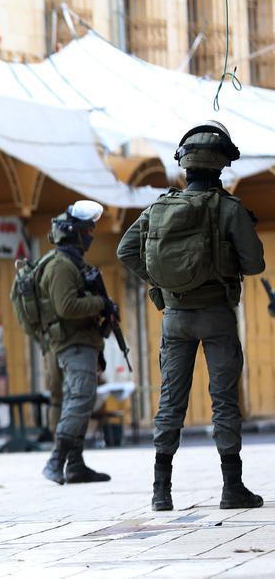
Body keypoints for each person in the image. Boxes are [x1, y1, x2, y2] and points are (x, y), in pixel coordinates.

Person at [117, 121, 265, 511]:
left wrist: (161, 283)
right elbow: (255, 264)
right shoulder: (229, 209)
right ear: (220, 166)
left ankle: (161, 491)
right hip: (217, 315)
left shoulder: (158, 208)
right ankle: (232, 488)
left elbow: (125, 251)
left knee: (170, 401)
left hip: (176, 317)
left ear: (184, 166)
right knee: (224, 401)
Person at [39, 200, 112, 485]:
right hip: (71, 344)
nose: (90, 236)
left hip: (83, 342)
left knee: (81, 400)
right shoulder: (61, 266)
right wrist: (100, 302)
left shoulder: (74, 264)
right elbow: (66, 306)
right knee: (79, 399)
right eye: (86, 231)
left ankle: (75, 465)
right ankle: (56, 461)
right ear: (73, 234)